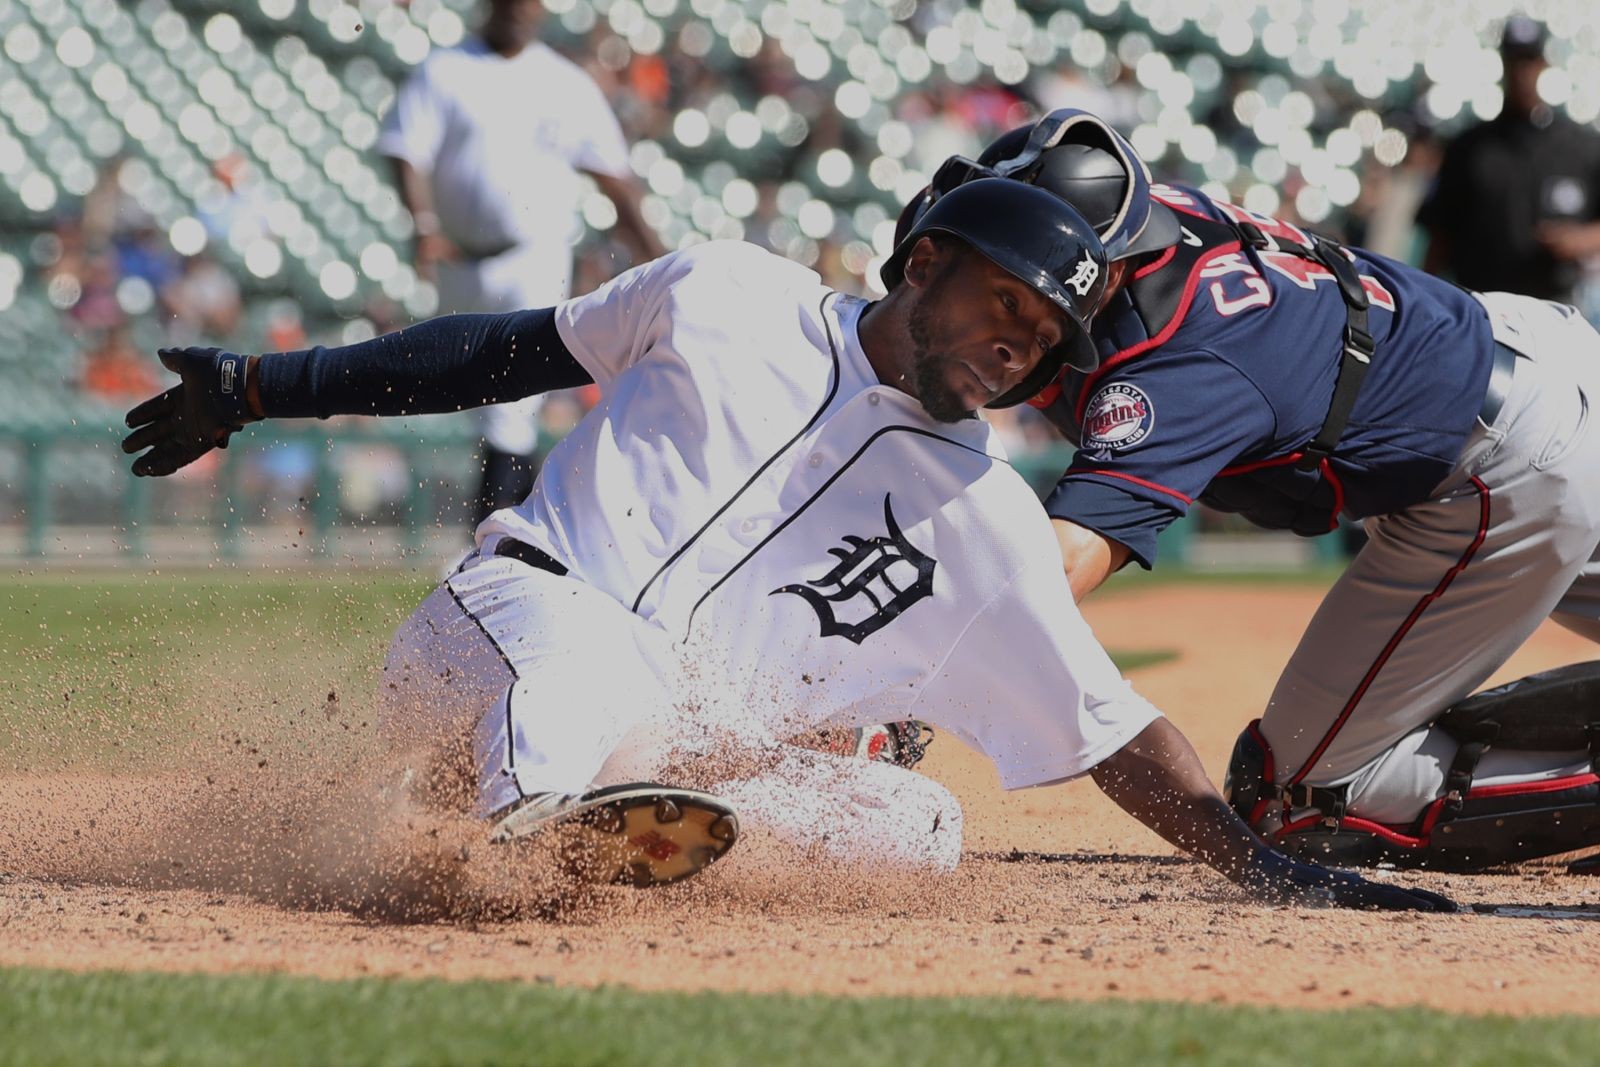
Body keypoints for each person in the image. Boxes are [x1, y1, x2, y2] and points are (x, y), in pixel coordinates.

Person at [120, 180, 1449, 911]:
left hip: (687, 748)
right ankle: (515, 832)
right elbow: (498, 348)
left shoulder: (980, 507)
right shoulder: (725, 291)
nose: (1021, 344)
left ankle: (543, 826)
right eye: (1008, 305)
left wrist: (1259, 859)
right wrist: (253, 387)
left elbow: (1104, 722)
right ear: (924, 261)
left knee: (914, 817)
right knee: (583, 675)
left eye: (1045, 339)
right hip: (517, 618)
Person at [910, 108, 1600, 873]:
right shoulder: (1146, 214)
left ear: (1104, 267)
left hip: (1498, 468)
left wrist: (900, 671)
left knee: (1302, 796)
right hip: (1538, 352)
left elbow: (1048, 576)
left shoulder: (1172, 362)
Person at [377, 0, 666, 525]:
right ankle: (530, 539)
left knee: (511, 412)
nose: (515, 10)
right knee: (493, 412)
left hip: (532, 258)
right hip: (459, 264)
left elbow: (614, 180)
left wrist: (662, 258)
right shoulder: (445, 68)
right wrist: (422, 224)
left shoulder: (564, 82)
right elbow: (404, 150)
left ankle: (485, 548)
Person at [1418, 16, 1600, 307]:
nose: (1522, 72)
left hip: (1554, 309)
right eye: (1515, 61)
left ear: (1543, 64)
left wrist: (1581, 240)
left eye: (1529, 60)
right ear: (1502, 64)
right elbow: (1439, 237)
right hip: (1481, 308)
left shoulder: (1583, 147)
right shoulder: (1469, 147)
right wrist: (1423, 303)